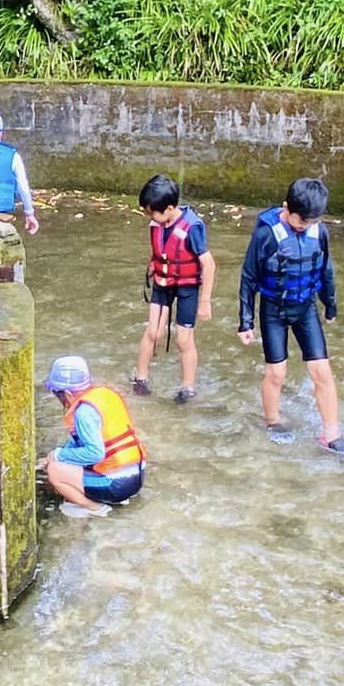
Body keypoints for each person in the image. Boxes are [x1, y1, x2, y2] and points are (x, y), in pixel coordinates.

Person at [236, 176, 344, 458]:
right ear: (286, 208)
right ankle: (272, 420)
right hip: (274, 310)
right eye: (301, 221)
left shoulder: (319, 232)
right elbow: (249, 276)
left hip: (305, 308)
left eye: (311, 221)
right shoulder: (266, 234)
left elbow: (326, 270)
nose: (305, 226)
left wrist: (330, 304)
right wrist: (246, 321)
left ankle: (331, 433)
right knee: (276, 373)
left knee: (322, 372)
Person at [132, 174, 215, 402]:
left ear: (169, 209)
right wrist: (154, 265)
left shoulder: (192, 227)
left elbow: (208, 263)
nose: (149, 217)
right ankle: (140, 378)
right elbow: (161, 250)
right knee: (153, 332)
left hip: (187, 287)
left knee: (183, 340)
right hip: (162, 284)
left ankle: (188, 387)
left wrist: (205, 301)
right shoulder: (157, 224)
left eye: (152, 212)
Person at [38, 355, 147, 519]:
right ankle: (115, 497)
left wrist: (58, 456)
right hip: (137, 476)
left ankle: (94, 507)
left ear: (67, 394)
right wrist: (60, 454)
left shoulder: (83, 413)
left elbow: (96, 453)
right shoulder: (104, 396)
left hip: (116, 484)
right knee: (59, 461)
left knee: (54, 472)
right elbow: (83, 441)